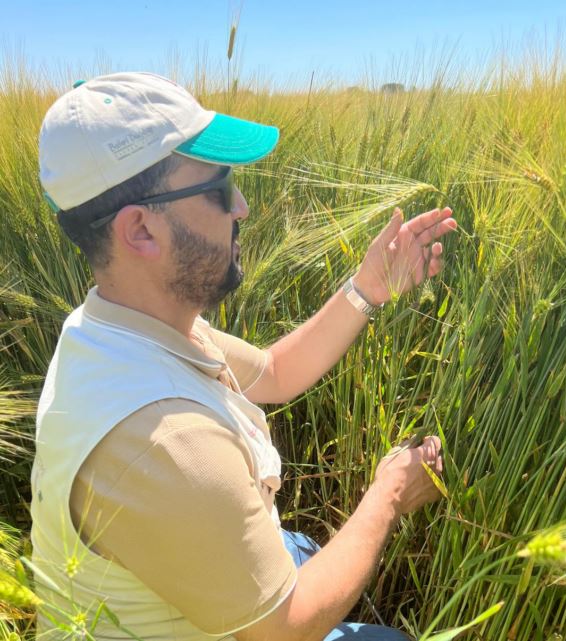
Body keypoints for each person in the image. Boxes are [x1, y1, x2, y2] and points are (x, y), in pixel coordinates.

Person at [29, 72, 458, 641]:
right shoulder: (161, 439)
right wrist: (388, 496)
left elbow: (276, 371)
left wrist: (368, 287)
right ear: (140, 231)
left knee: (301, 547)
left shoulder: (119, 326)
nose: (243, 206)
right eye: (219, 186)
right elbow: (286, 627)